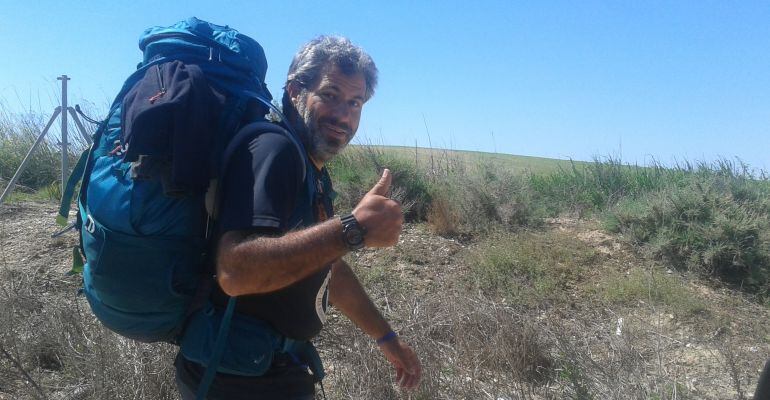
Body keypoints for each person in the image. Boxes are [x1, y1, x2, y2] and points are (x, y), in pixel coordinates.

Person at [174, 36, 422, 399]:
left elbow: (326, 267)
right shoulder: (275, 150)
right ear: (294, 91)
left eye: (355, 103)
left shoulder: (309, 167)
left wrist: (387, 338)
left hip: (264, 367)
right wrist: (350, 230)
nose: (343, 116)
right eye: (330, 95)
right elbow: (234, 271)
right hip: (237, 380)